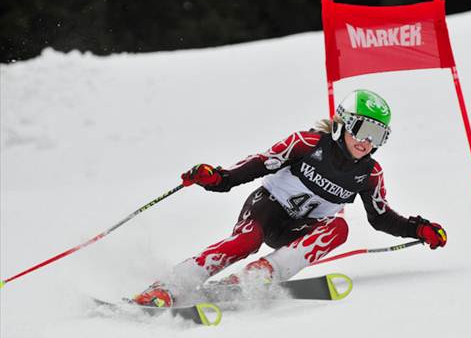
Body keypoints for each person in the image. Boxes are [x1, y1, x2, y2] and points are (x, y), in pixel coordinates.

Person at [132, 89, 447, 307]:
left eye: (377, 136)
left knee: (339, 228)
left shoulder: (370, 174)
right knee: (247, 241)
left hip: (298, 230)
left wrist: (418, 230)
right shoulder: (307, 144)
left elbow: (380, 217)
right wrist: (219, 178)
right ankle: (169, 285)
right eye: (363, 129)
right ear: (344, 123)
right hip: (267, 208)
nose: (366, 142)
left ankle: (256, 278)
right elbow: (258, 163)